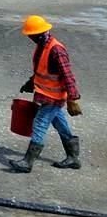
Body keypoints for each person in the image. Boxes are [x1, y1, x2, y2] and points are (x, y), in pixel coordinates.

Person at [9, 15, 83, 173]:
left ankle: (27, 162)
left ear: (39, 33)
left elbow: (67, 75)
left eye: (31, 35)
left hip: (54, 97)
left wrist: (73, 97)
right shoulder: (42, 46)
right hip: (45, 95)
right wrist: (30, 83)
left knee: (40, 124)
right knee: (60, 125)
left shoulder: (56, 49)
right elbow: (41, 70)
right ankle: (73, 158)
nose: (30, 38)